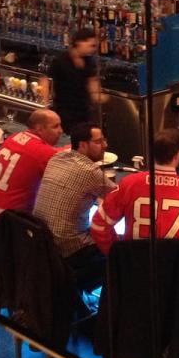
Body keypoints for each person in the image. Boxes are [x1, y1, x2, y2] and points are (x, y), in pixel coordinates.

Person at [91, 128, 179, 254]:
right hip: (176, 270)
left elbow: (98, 226)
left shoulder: (128, 184)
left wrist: (119, 255)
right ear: (178, 154)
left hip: (134, 267)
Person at [32, 123, 116, 290]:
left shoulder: (56, 158)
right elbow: (121, 196)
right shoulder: (90, 171)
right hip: (69, 249)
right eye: (99, 142)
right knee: (118, 255)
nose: (105, 145)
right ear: (83, 145)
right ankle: (106, 310)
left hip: (41, 244)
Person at [0, 108, 63, 222]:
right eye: (55, 126)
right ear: (39, 129)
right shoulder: (45, 152)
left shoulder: (12, 138)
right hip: (7, 218)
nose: (61, 131)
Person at [48, 28, 102, 133]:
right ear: (79, 42)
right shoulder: (60, 61)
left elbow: (94, 88)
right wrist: (46, 107)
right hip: (65, 112)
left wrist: (100, 96)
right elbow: (46, 81)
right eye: (91, 45)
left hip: (84, 112)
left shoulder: (89, 61)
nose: (93, 49)